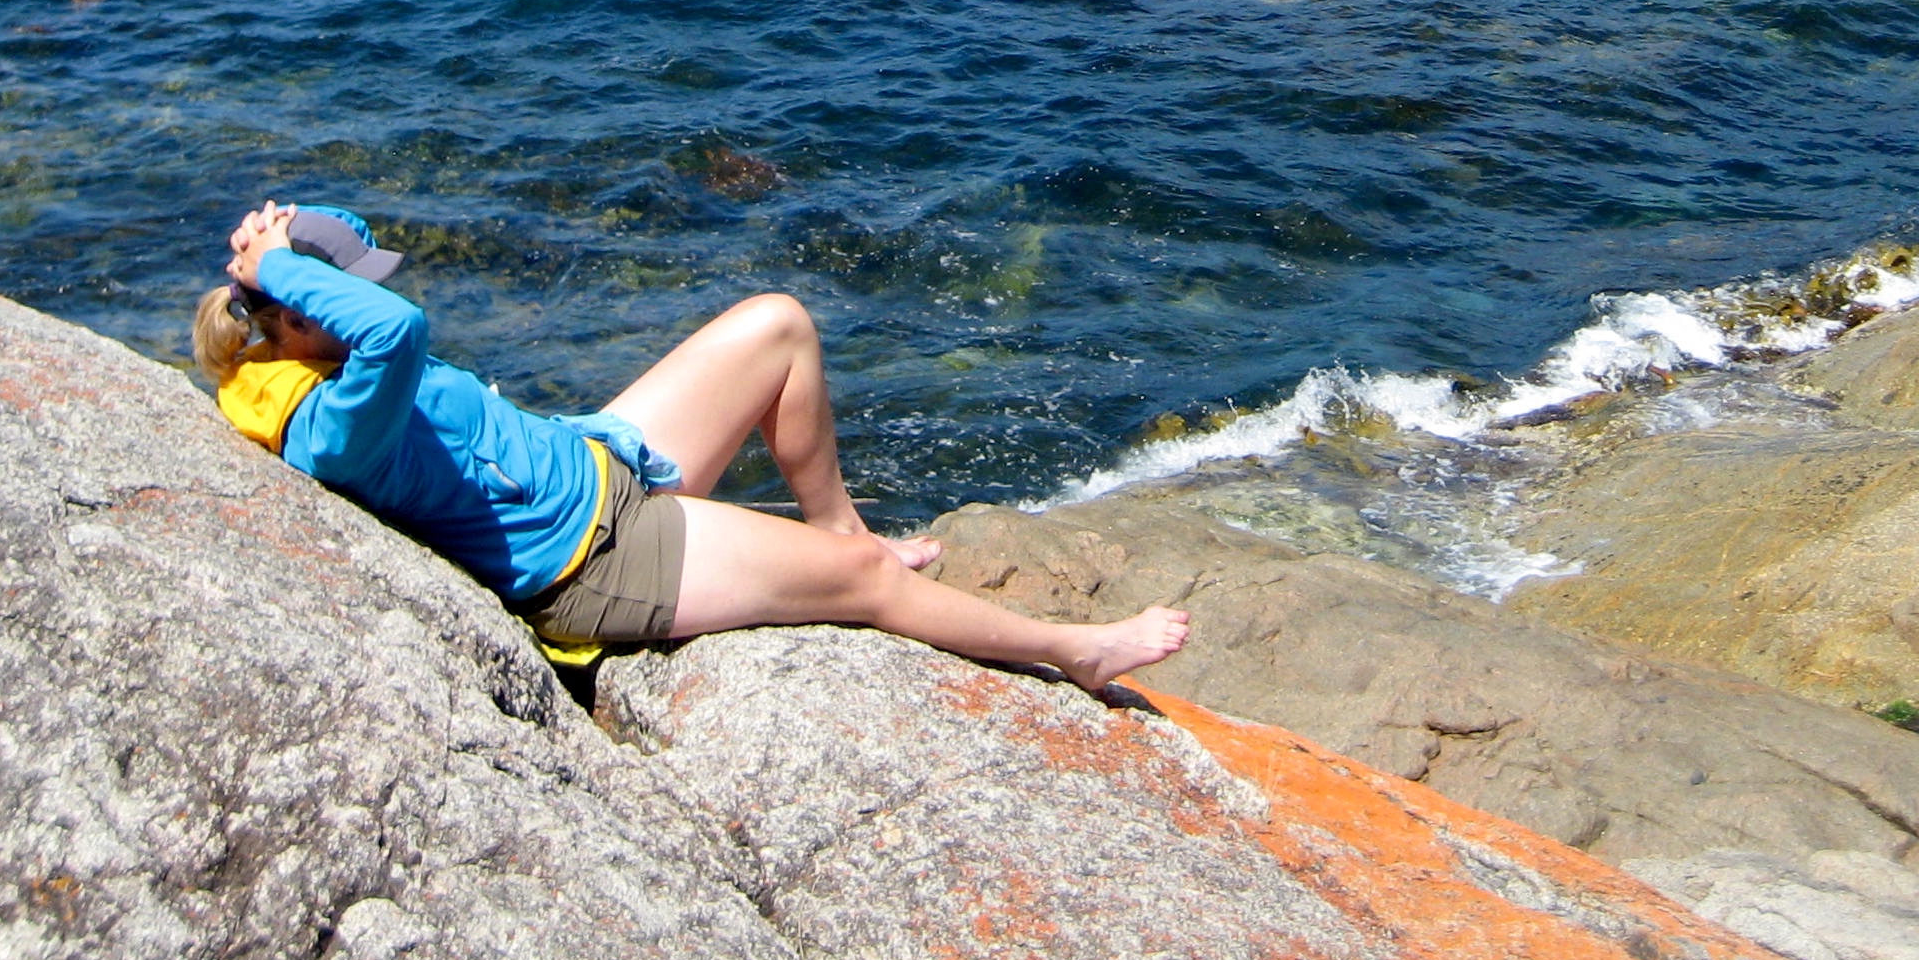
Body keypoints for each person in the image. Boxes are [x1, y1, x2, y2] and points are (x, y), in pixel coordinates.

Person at [194, 200, 1187, 690]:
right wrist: (283, 264)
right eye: (343, 287)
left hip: (595, 455)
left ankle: (848, 523)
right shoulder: (333, 426)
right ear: (296, 316)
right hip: (596, 558)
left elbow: (379, 325)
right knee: (863, 587)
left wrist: (289, 268)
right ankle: (1078, 654)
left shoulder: (328, 361)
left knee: (779, 325)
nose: (373, 293)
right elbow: (396, 328)